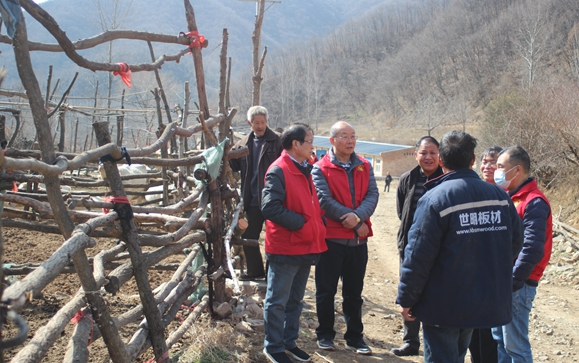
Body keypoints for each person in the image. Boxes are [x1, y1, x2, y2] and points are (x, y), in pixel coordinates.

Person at [396, 130, 523, 363]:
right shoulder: (499, 196)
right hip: (482, 298)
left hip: (443, 303)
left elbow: (418, 257)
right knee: (459, 353)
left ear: (441, 161)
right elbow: (515, 242)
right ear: (473, 159)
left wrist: (407, 298)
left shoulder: (435, 199)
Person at [261, 124, 327, 363]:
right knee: (277, 300)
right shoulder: (279, 170)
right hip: (286, 246)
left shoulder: (305, 167)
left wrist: (318, 224)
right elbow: (269, 207)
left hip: (305, 244)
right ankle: (273, 346)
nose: (312, 145)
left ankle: (289, 342)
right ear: (295, 144)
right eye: (309, 141)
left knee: (295, 301)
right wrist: (302, 224)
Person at [312, 121, 379, 355]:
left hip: (358, 240)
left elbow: (372, 194)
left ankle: (354, 337)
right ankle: (325, 334)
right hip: (330, 240)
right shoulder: (320, 168)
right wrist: (350, 219)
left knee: (354, 292)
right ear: (332, 141)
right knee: (325, 290)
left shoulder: (364, 165)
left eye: (353, 136)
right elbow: (323, 199)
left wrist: (358, 219)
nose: (350, 140)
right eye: (344, 136)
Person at [491, 146, 553, 363]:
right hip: (505, 279)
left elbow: (532, 248)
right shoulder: (510, 196)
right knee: (500, 339)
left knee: (515, 344)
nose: (495, 171)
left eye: (500, 167)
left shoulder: (533, 201)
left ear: (516, 170)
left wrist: (514, 281)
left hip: (519, 282)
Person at [391, 136, 443, 357]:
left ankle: (436, 344)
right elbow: (402, 212)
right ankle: (411, 341)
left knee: (436, 294)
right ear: (416, 155)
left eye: (433, 153)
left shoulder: (446, 179)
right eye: (423, 153)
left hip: (440, 250)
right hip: (411, 248)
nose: (428, 157)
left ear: (440, 155)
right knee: (410, 292)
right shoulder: (407, 179)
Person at [229, 106, 282, 280]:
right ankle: (255, 271)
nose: (260, 126)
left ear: (267, 122)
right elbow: (232, 165)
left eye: (262, 122)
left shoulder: (277, 141)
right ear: (249, 123)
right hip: (252, 199)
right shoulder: (243, 143)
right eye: (256, 123)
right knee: (249, 236)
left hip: (275, 199)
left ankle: (272, 274)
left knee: (275, 237)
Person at [469, 146, 503, 363]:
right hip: (472, 275)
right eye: (484, 161)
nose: (487, 166)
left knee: (494, 337)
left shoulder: (506, 196)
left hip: (496, 278)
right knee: (474, 333)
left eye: (493, 162)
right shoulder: (474, 190)